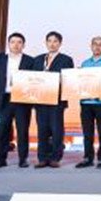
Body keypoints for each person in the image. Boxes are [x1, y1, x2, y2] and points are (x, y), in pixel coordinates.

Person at [0, 32, 34, 169]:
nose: (16, 45)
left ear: (23, 45)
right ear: (8, 44)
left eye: (19, 42)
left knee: (22, 130)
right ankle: (1, 159)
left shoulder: (30, 61)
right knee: (3, 130)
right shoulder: (0, 60)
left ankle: (23, 159)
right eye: (13, 42)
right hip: (5, 99)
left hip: (22, 99)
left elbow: (34, 81)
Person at [33, 31, 74, 168]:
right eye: (49, 41)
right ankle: (42, 158)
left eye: (55, 41)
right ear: (46, 43)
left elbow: (68, 80)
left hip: (57, 101)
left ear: (60, 44)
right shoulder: (37, 59)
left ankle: (55, 158)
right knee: (42, 130)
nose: (52, 44)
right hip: (40, 100)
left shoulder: (66, 60)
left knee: (57, 130)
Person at [75, 36, 101, 169]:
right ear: (91, 46)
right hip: (86, 102)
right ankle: (88, 158)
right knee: (87, 133)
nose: (97, 47)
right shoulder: (85, 63)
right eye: (95, 44)